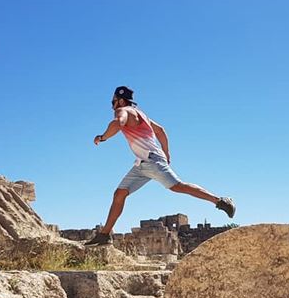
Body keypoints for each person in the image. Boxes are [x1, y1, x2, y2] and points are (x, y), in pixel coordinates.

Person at [85, 86, 235, 247]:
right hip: (141, 164)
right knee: (119, 193)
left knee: (178, 186)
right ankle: (104, 235)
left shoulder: (124, 111)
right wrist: (167, 152)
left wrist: (102, 137)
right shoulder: (142, 115)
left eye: (113, 101)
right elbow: (161, 131)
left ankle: (220, 201)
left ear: (120, 100)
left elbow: (118, 123)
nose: (111, 105)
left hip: (151, 161)